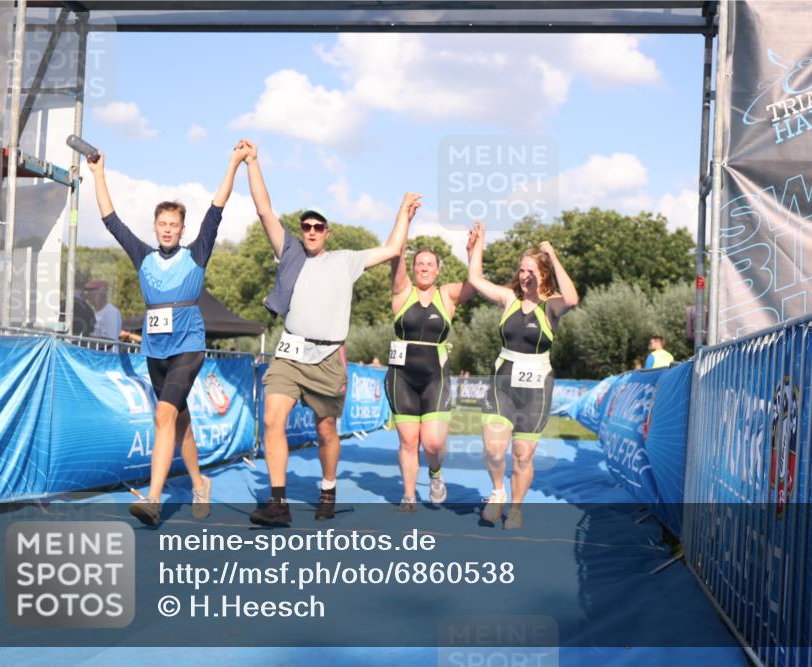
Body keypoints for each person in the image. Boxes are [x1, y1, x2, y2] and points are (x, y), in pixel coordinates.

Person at [240, 139, 416, 525]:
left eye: (318, 227)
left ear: (328, 232)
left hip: (326, 358)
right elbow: (264, 209)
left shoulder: (346, 261)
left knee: (326, 433)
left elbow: (390, 249)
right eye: (306, 226)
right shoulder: (289, 252)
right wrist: (253, 162)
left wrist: (404, 212)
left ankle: (328, 488)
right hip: (289, 352)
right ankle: (278, 502)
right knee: (272, 420)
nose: (312, 231)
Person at [85, 143, 248, 526]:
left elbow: (216, 210)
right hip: (155, 350)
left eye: (174, 224)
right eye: (162, 224)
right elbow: (111, 220)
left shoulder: (196, 253)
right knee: (178, 421)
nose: (168, 229)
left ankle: (154, 499)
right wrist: (98, 175)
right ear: (155, 227)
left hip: (188, 347)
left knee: (162, 415)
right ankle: (199, 481)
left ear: (182, 229)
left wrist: (234, 163)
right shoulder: (143, 256)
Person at [467, 222, 578, 529]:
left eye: (531, 270)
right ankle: (498, 492)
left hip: (536, 387)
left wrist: (553, 256)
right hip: (503, 380)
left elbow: (572, 299)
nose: (524, 276)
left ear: (543, 273)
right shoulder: (509, 299)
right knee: (492, 448)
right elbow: (475, 279)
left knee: (522, 455)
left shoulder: (551, 306)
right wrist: (479, 245)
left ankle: (515, 509)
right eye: (521, 270)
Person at [386, 236, 476, 512]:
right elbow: (394, 256)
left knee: (433, 442)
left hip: (434, 378)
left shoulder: (446, 295)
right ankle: (409, 496)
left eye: (430, 264)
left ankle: (435, 473)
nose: (424, 268)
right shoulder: (402, 292)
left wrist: (473, 253)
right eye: (419, 264)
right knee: (408, 440)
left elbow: (474, 285)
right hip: (402, 377)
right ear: (413, 269)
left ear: (438, 270)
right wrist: (405, 219)